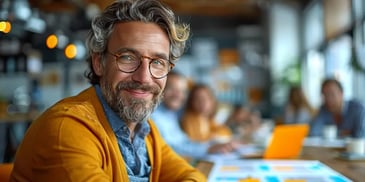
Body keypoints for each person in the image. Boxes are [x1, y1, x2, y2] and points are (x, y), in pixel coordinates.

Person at [10, 0, 206, 181]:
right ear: (99, 63)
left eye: (157, 62)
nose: (144, 78)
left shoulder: (144, 131)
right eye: (128, 58)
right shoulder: (66, 128)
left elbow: (192, 176)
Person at [151, 71, 238, 159]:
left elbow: (184, 142)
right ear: (159, 88)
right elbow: (170, 148)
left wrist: (213, 145)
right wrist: (208, 148)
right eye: (172, 88)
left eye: (182, 91)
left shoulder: (170, 114)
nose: (178, 95)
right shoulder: (154, 117)